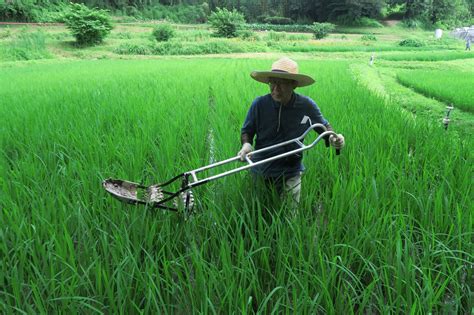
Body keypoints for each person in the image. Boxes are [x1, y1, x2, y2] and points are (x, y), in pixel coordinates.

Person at [238, 57, 345, 206]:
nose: (275, 89)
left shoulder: (306, 105)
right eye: (272, 82)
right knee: (260, 212)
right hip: (261, 167)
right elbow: (247, 130)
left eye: (281, 83)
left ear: (293, 85)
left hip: (291, 170)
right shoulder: (259, 104)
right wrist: (247, 145)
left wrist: (334, 138)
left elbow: (323, 126)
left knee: (290, 214)